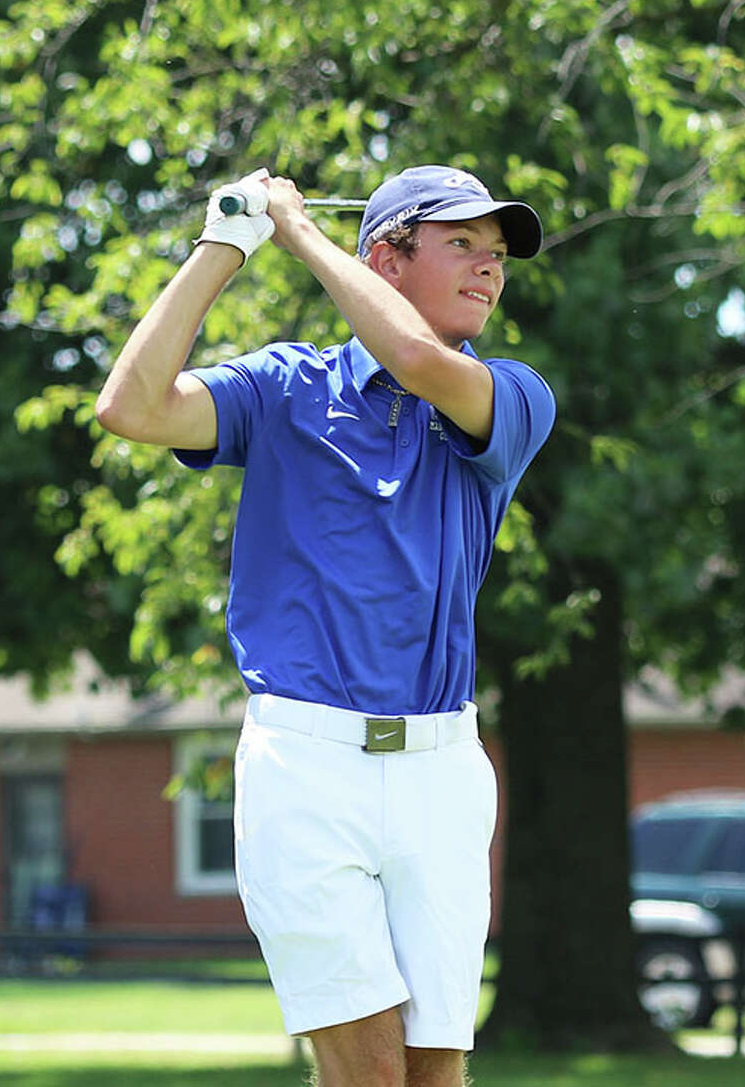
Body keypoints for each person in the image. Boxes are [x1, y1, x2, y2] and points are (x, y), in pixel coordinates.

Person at [96, 164, 555, 1086]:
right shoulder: (284, 387)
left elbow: (420, 365)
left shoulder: (511, 394)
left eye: (497, 254)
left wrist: (297, 233)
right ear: (386, 257)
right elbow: (133, 407)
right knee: (368, 1073)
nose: (488, 270)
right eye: (462, 244)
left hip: (440, 771)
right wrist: (225, 244)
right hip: (305, 767)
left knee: (434, 1075)